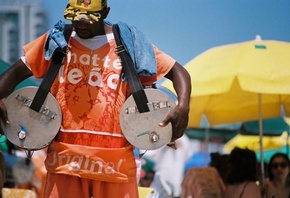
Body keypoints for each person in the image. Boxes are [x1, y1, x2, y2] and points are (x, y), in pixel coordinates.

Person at [0, 0, 191, 197]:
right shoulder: (58, 40)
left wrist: (183, 106)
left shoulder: (128, 42)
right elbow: (13, 75)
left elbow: (178, 72)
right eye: (75, 18)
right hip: (65, 163)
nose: (80, 24)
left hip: (115, 167)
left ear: (105, 12)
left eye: (88, 20)